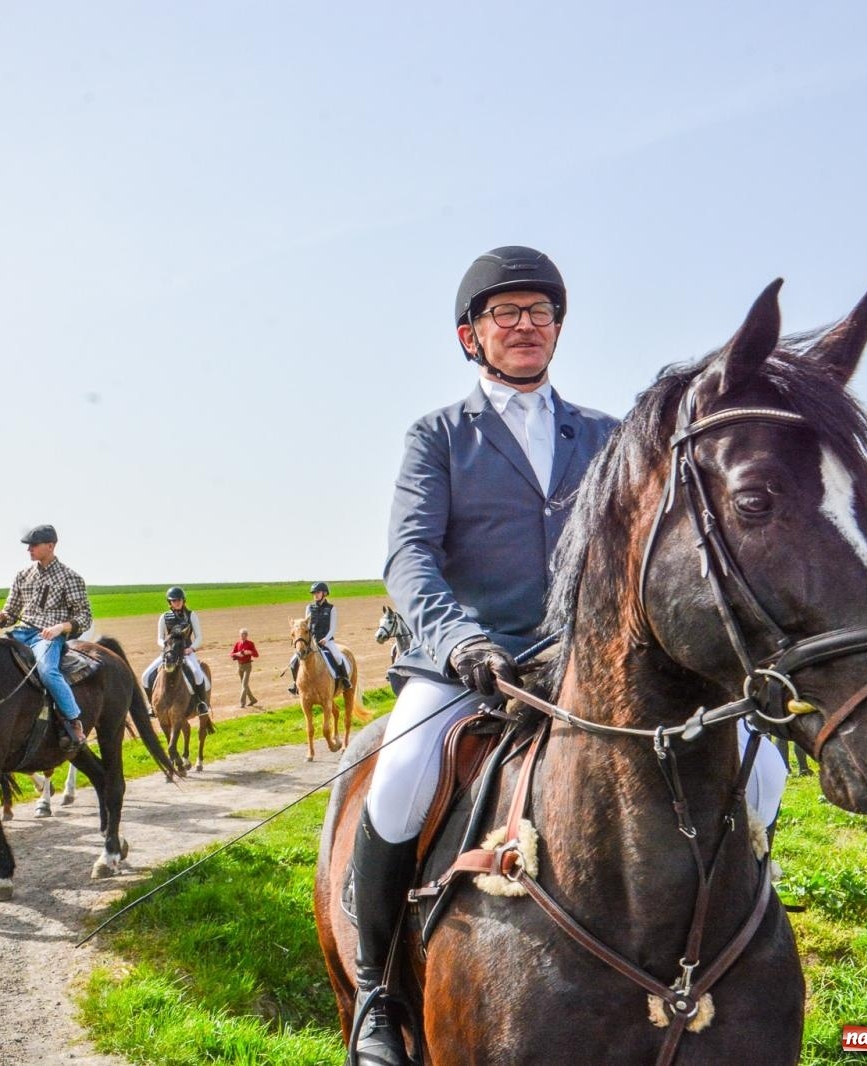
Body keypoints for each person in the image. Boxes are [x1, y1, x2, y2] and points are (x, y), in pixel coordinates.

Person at [346, 246, 624, 1065]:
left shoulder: (608, 437)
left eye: (539, 311)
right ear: (472, 335)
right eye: (505, 313)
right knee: (398, 782)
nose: (524, 324)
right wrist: (457, 637)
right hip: (467, 662)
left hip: (583, 664)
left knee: (746, 763)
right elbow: (409, 556)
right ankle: (374, 990)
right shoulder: (438, 435)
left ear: (558, 328)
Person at [0, 525, 93, 750]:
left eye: (34, 545)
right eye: (28, 546)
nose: (29, 550)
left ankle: (73, 721)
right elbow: (11, 614)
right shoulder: (22, 576)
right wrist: (0, 616)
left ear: (51, 546)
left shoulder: (70, 577)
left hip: (46, 637)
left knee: (47, 671)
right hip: (19, 634)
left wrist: (60, 627)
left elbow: (84, 617)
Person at [140, 587, 211, 715]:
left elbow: (199, 637)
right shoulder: (164, 617)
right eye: (173, 600)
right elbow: (160, 638)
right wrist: (166, 647)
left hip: (186, 653)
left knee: (198, 674)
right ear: (170, 602)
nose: (176, 602)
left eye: (179, 600)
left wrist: (191, 648)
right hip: (169, 654)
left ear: (183, 600)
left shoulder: (191, 615)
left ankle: (202, 704)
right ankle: (152, 705)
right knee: (145, 676)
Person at [286, 582, 350, 695]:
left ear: (324, 593)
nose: (315, 595)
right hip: (312, 641)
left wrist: (326, 639)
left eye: (318, 592)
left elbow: (333, 628)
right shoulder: (309, 608)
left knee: (338, 657)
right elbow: (308, 626)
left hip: (327, 640)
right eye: (314, 593)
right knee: (293, 660)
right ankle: (295, 684)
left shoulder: (331, 609)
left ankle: (345, 680)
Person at [231, 628, 260, 708]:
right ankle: (253, 699)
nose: (242, 636)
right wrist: (237, 654)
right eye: (241, 634)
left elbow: (256, 654)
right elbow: (231, 654)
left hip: (247, 666)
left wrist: (250, 652)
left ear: (246, 635)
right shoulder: (237, 643)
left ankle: (242, 703)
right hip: (240, 666)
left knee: (244, 684)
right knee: (245, 685)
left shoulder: (250, 644)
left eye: (243, 634)